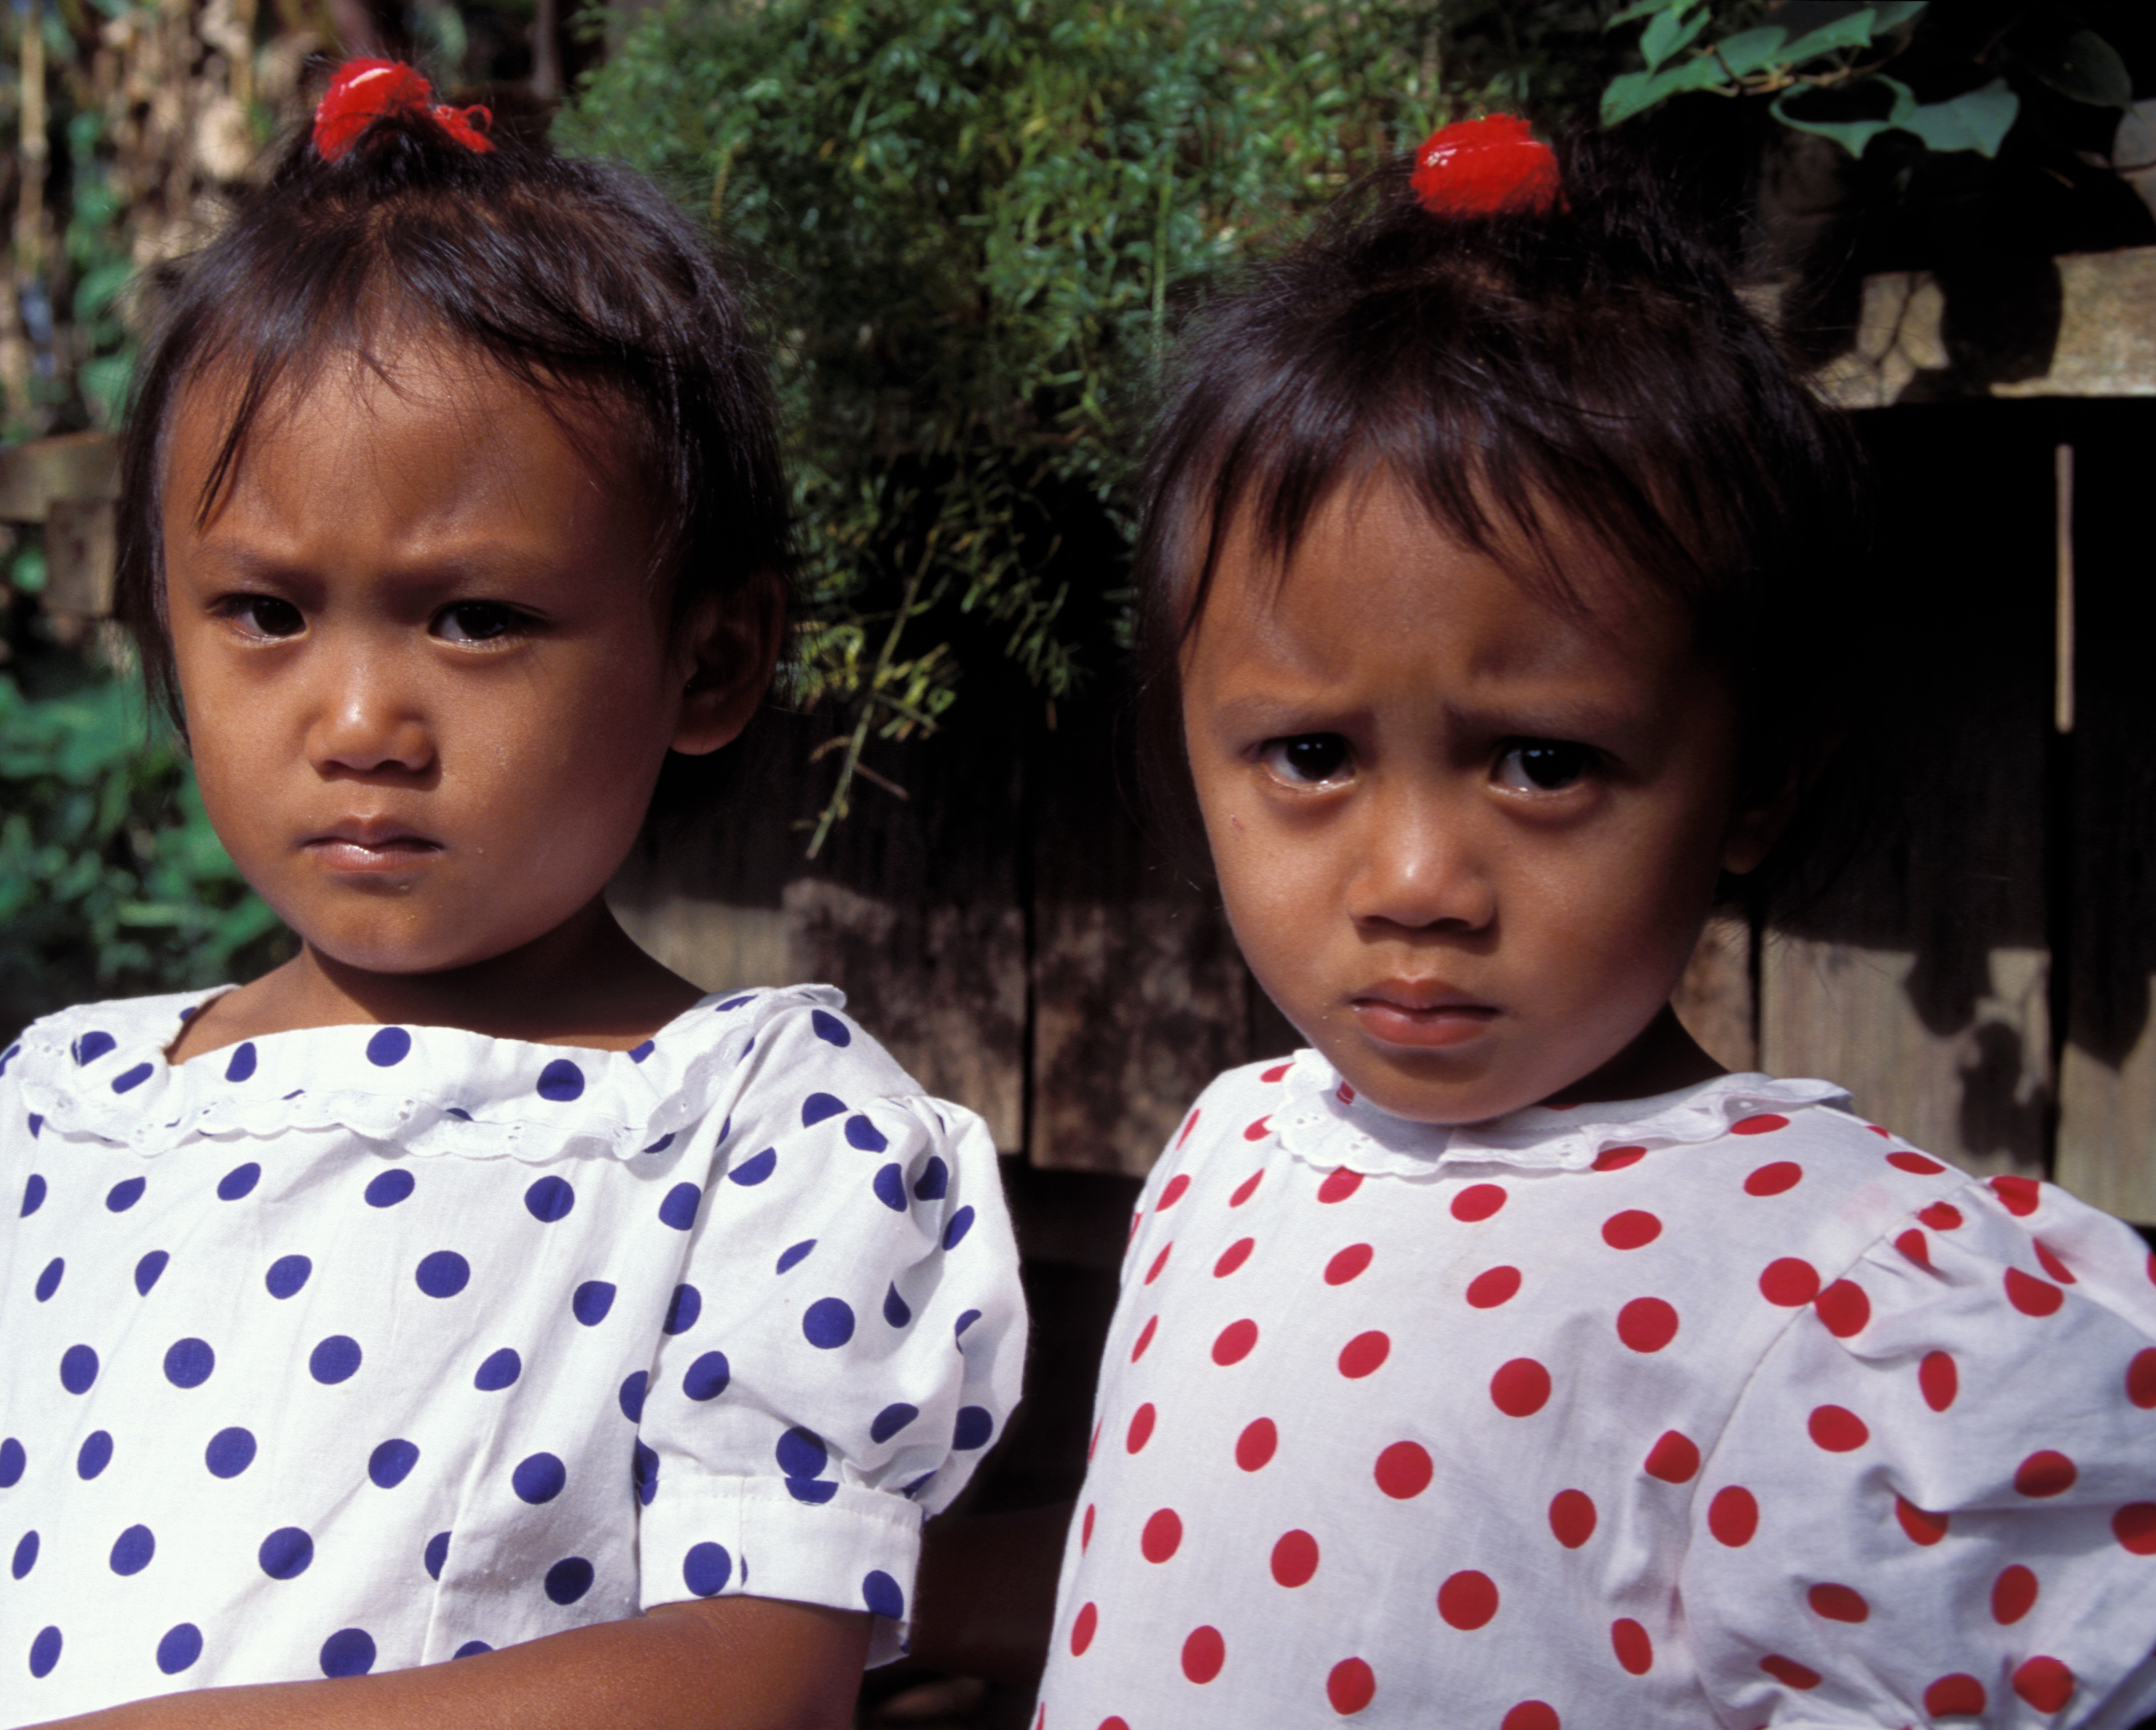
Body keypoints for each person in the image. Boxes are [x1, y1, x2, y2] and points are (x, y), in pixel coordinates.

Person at [0, 59, 1024, 1730]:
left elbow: (756, 1670)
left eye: (472, 620)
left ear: (711, 655)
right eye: (264, 612)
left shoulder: (760, 1140)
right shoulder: (43, 1134)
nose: (358, 720)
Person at [917, 116, 2156, 1727]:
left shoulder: (1839, 1307)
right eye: (1309, 754)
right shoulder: (1234, 1143)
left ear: (1755, 781)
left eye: (1543, 762)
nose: (1415, 875)